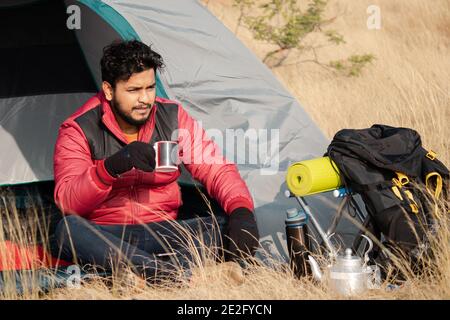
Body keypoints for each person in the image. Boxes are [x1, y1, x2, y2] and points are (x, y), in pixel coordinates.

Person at [52, 40, 259, 283]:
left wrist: (241, 210)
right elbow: (68, 200)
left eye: (150, 88)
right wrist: (108, 169)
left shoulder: (172, 117)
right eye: (133, 90)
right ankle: (176, 273)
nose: (145, 99)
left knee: (228, 224)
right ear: (109, 90)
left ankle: (148, 274)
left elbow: (216, 168)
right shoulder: (78, 129)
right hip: (109, 235)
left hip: (165, 230)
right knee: (67, 231)